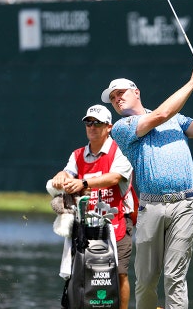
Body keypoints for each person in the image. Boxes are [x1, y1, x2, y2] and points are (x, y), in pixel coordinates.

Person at [101, 62, 193, 309]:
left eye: (120, 93)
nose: (117, 99)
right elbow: (160, 115)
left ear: (136, 92)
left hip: (186, 204)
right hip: (151, 207)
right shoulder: (122, 127)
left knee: (175, 277)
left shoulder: (177, 119)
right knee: (146, 279)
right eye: (112, 98)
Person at [50, 104, 136, 309]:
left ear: (109, 127)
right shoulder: (77, 154)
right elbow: (67, 173)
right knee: (82, 272)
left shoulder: (121, 151)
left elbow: (115, 177)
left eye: (97, 123)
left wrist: (84, 183)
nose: (92, 126)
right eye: (88, 122)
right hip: (86, 225)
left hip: (117, 222)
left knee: (119, 273)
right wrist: (60, 177)